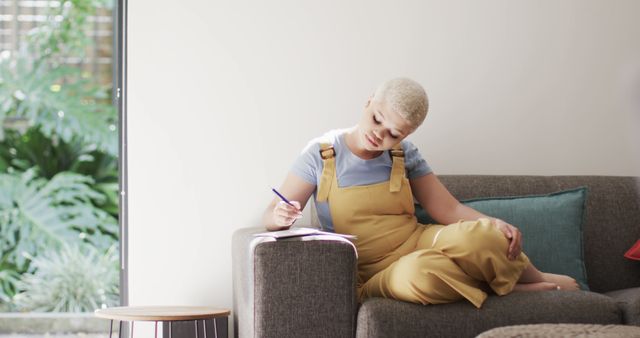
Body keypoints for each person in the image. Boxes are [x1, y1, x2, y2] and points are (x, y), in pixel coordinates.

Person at [262, 78, 579, 308]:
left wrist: (495, 224)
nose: (379, 135)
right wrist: (280, 215)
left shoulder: (404, 154)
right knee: (420, 274)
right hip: (373, 269)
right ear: (369, 100)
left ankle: (535, 277)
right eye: (377, 119)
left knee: (482, 234)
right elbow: (272, 214)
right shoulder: (321, 154)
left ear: (408, 134)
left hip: (417, 241)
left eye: (394, 134)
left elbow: (449, 211)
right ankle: (503, 289)